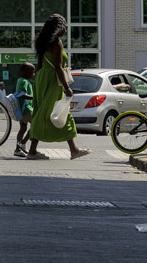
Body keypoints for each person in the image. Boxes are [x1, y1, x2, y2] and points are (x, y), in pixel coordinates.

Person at [28, 13, 90, 160]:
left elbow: (40, 65)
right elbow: (58, 67)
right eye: (65, 27)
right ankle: (72, 150)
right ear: (59, 28)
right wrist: (67, 87)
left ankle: (33, 149)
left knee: (44, 111)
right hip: (52, 80)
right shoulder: (57, 42)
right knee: (56, 111)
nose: (66, 30)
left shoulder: (42, 42)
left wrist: (40, 81)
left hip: (42, 78)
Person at [13, 62, 36, 157]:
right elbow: (22, 95)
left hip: (21, 110)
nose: (34, 74)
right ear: (26, 72)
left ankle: (17, 150)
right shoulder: (24, 82)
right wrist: (35, 98)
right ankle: (22, 143)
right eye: (32, 72)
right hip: (26, 109)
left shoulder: (20, 80)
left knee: (23, 128)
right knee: (36, 125)